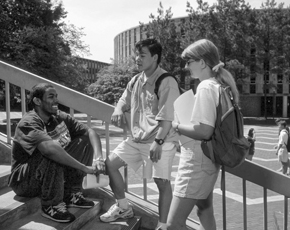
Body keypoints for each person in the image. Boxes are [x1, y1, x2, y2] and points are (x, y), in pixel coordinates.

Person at [100, 38, 180, 230]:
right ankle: (123, 207)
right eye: (137, 54)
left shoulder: (166, 81)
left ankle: (162, 225)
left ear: (155, 57)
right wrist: (118, 109)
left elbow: (168, 116)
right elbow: (123, 99)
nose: (137, 58)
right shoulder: (136, 80)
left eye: (142, 55)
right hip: (136, 138)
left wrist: (159, 141)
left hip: (160, 140)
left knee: (162, 182)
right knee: (110, 164)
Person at [167, 39, 240, 230]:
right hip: (207, 161)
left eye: (189, 61)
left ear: (202, 62)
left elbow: (204, 131)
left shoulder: (205, 87)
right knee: (204, 211)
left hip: (196, 163)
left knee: (173, 224)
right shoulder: (219, 85)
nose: (186, 66)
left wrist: (177, 126)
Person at [7, 83, 106, 223]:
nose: (56, 100)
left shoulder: (59, 117)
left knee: (84, 140)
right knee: (51, 151)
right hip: (25, 182)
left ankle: (71, 193)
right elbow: (49, 149)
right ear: (37, 101)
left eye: (56, 96)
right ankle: (51, 205)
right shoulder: (29, 122)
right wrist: (84, 168)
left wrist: (99, 159)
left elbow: (90, 132)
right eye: (51, 96)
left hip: (51, 175)